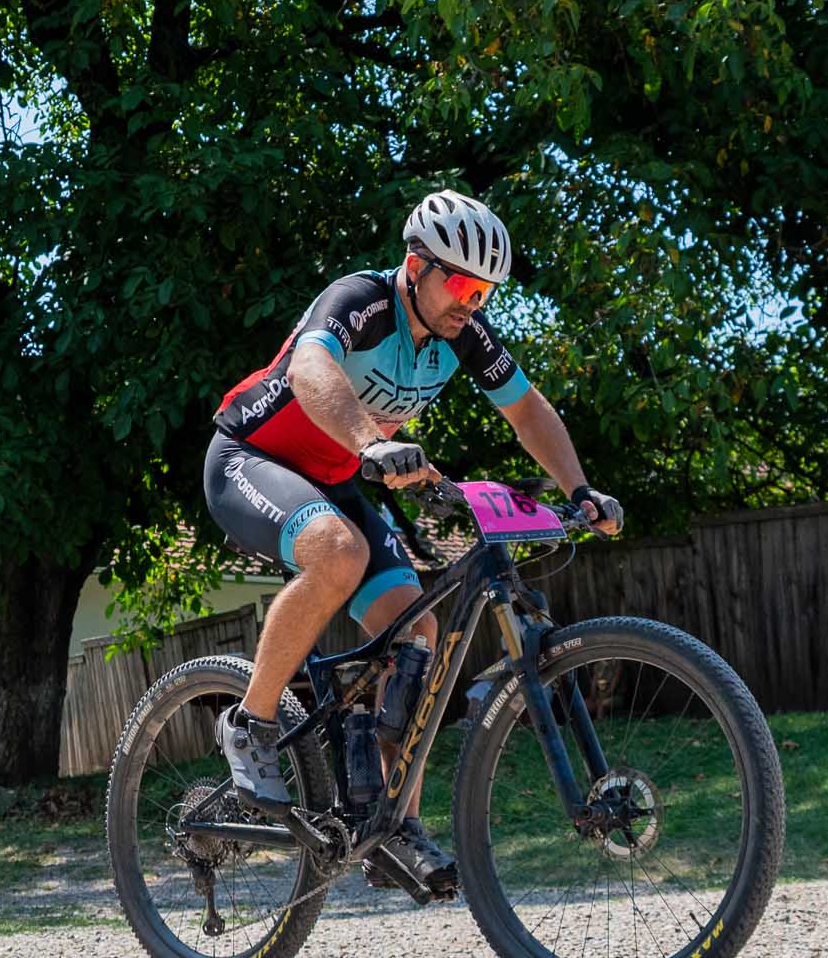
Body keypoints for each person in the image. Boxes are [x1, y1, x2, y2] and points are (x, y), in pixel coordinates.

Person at [204, 189, 623, 893]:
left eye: (484, 292)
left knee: (417, 631)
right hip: (250, 458)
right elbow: (311, 369)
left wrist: (580, 489)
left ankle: (393, 826)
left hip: (336, 478)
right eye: (461, 285)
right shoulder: (362, 300)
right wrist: (370, 442)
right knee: (339, 554)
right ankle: (251, 720)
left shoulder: (463, 334)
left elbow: (526, 409)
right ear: (416, 266)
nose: (471, 304)